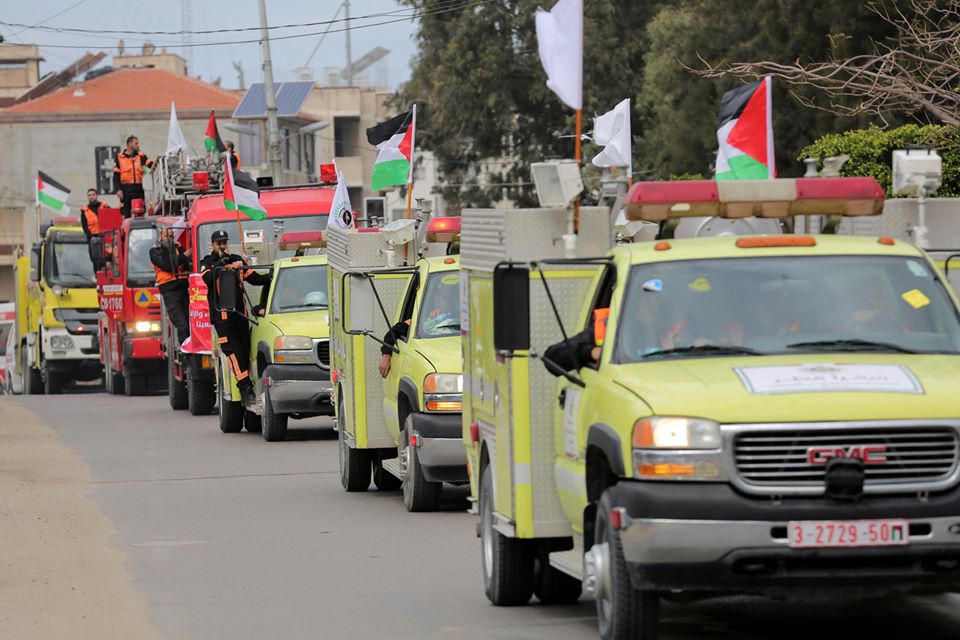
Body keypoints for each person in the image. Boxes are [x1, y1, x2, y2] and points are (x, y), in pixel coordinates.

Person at [199, 230, 271, 405]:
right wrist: (222, 263)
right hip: (223, 318)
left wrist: (272, 276)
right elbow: (207, 279)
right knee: (234, 353)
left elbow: (254, 278)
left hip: (241, 315)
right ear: (213, 245)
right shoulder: (207, 263)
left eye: (225, 242)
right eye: (219, 243)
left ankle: (248, 390)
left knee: (245, 353)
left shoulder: (237, 259)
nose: (223, 246)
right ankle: (245, 388)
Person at [149, 227, 191, 345]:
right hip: (170, 291)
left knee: (189, 322)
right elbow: (168, 265)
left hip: (183, 288)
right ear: (160, 238)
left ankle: (190, 350)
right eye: (166, 236)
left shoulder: (178, 249)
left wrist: (182, 252)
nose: (169, 239)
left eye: (171, 236)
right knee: (182, 324)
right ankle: (186, 352)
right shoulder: (155, 252)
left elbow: (188, 264)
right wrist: (185, 255)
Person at [113, 135, 154, 218]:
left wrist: (160, 162)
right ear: (129, 144)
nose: (138, 145)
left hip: (139, 188)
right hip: (125, 189)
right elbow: (116, 175)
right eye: (136, 143)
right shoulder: (119, 157)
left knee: (140, 211)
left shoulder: (141, 156)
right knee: (127, 213)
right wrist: (118, 189)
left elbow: (151, 165)